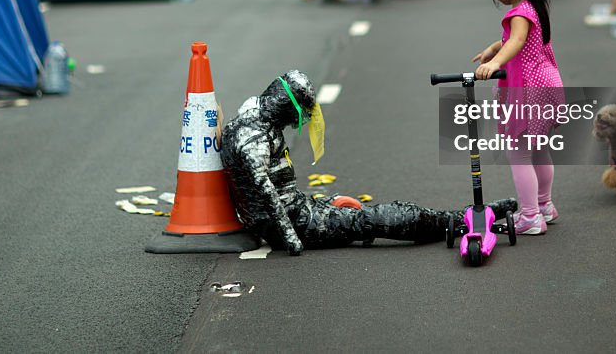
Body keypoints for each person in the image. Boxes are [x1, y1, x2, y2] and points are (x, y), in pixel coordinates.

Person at [218, 70, 517, 253]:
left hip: (299, 209)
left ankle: (464, 216)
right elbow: (266, 192)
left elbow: (275, 191)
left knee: (354, 210)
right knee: (373, 219)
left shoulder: (253, 114)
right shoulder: (253, 140)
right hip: (296, 222)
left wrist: (322, 203)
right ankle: (457, 220)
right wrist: (292, 239)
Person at [473, 0, 564, 236]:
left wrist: (497, 61)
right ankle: (545, 206)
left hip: (528, 91)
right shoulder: (534, 4)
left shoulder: (517, 15)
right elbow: (519, 39)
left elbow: (518, 40)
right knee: (538, 150)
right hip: (547, 83)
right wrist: (494, 47)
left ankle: (530, 217)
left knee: (519, 154)